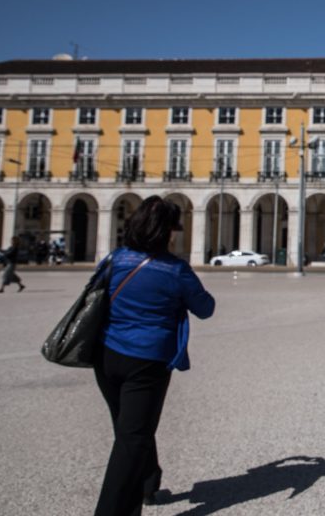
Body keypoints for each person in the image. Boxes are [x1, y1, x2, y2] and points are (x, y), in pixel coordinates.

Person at [93, 196, 215, 514]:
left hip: (106, 356)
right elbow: (205, 309)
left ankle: (149, 482)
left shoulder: (114, 259)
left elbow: (95, 296)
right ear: (165, 233)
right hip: (147, 361)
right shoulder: (174, 269)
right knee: (132, 438)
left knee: (130, 426)